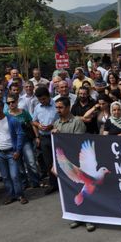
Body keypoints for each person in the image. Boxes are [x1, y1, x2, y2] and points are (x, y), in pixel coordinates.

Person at [51, 97, 94, 231]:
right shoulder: (56, 123)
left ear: (68, 107)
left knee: (83, 191)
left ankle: (90, 219)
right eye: (56, 107)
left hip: (77, 165)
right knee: (70, 192)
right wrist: (54, 163)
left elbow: (77, 143)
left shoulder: (77, 122)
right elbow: (56, 146)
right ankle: (77, 217)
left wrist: (61, 135)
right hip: (64, 164)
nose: (58, 110)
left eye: (61, 107)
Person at [0, 99, 26, 204]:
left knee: (14, 175)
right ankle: (11, 195)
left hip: (12, 152)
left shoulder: (12, 120)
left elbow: (20, 134)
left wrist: (18, 150)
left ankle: (20, 195)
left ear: (1, 108)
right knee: (5, 176)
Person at [6, 94, 40, 189]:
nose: (11, 104)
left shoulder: (23, 112)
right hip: (13, 143)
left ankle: (35, 181)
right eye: (8, 103)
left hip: (26, 141)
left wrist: (37, 136)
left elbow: (31, 123)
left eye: (12, 101)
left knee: (31, 161)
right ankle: (24, 183)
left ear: (17, 101)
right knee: (19, 164)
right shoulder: (6, 115)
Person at [32, 86, 58, 195]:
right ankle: (53, 184)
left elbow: (63, 118)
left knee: (60, 161)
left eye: (44, 99)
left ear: (48, 96)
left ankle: (65, 183)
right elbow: (34, 121)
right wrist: (39, 126)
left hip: (57, 137)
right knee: (48, 162)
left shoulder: (56, 104)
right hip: (44, 138)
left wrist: (52, 126)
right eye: (40, 100)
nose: (42, 101)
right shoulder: (38, 107)